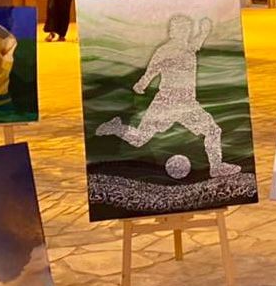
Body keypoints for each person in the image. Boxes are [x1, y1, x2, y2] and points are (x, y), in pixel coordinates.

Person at [95, 15, 241, 177]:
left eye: (186, 29)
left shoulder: (188, 48)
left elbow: (196, 44)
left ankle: (216, 167)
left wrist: (204, 32)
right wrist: (142, 84)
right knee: (139, 139)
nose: (184, 33)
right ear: (172, 32)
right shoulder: (164, 51)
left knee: (213, 131)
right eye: (180, 29)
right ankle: (116, 127)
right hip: (166, 102)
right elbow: (152, 70)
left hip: (187, 104)